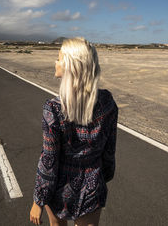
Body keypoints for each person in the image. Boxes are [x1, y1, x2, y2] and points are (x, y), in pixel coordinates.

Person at [29, 37, 118, 226]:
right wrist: (104, 175)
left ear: (70, 66)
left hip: (59, 187)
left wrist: (39, 199)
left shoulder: (53, 109)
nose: (55, 62)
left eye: (59, 58)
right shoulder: (107, 102)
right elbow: (109, 149)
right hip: (93, 184)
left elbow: (49, 160)